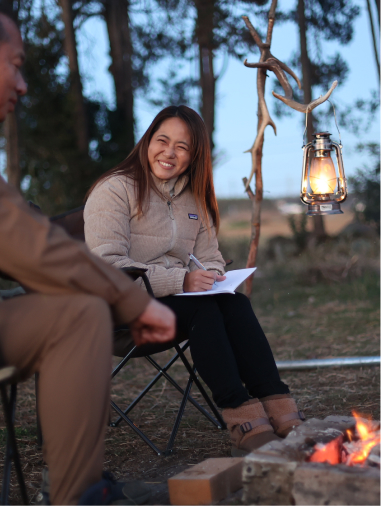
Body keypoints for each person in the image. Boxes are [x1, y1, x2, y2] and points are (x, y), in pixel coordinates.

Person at [0, 10, 176, 505]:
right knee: (79, 313)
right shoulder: (115, 192)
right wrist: (134, 300)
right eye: (14, 64)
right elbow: (27, 243)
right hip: (139, 288)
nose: (23, 84)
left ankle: (78, 492)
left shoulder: (182, 204)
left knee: (77, 311)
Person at [84, 105, 305, 457]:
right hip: (122, 311)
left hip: (178, 302)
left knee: (233, 302)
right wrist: (182, 280)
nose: (169, 153)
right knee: (203, 309)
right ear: (147, 141)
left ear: (193, 156)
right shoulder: (115, 190)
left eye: (182, 147)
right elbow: (109, 268)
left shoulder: (193, 198)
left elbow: (210, 255)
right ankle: (243, 420)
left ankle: (279, 406)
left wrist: (215, 276)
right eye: (162, 140)